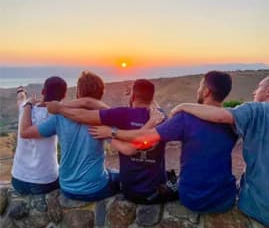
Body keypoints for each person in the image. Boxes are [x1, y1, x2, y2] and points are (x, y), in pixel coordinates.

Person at [90, 71, 238, 213]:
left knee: (170, 178)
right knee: (171, 177)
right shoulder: (236, 121)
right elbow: (160, 116)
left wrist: (111, 133)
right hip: (226, 199)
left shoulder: (183, 119)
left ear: (206, 92)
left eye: (200, 86)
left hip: (187, 198)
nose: (198, 90)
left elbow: (142, 140)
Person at [170, 75, 269, 227]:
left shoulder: (258, 110)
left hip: (260, 207)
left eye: (259, 87)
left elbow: (221, 116)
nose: (254, 91)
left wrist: (182, 107)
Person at [47, 79, 176, 204]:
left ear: (133, 96)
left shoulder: (121, 115)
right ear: (152, 98)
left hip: (129, 191)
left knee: (112, 174)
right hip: (154, 191)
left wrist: (60, 109)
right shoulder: (161, 117)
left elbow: (84, 114)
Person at [20, 71, 119, 201]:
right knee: (118, 177)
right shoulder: (104, 117)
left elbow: (25, 132)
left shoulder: (60, 117)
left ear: (78, 93)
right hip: (95, 189)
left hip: (66, 188)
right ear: (100, 94)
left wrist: (27, 104)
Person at [11, 77, 67, 195]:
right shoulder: (57, 116)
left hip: (18, 180)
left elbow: (20, 99)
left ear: (43, 92)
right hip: (44, 182)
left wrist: (21, 92)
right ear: (63, 97)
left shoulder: (25, 108)